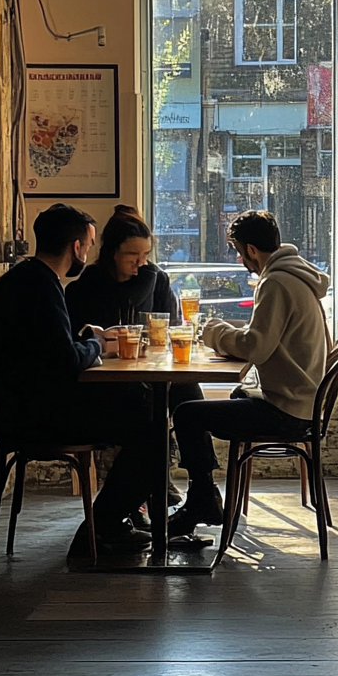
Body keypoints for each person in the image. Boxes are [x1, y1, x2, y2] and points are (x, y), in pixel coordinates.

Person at [0, 203, 156, 552]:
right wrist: (96, 343)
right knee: (150, 424)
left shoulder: (24, 279)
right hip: (37, 419)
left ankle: (109, 522)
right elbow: (67, 360)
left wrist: (85, 339)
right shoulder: (42, 287)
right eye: (87, 245)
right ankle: (102, 528)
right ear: (76, 247)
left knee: (141, 406)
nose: (87, 253)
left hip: (20, 409)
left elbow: (51, 350)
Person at [167, 210, 331, 536]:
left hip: (287, 410)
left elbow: (256, 347)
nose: (241, 261)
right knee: (228, 396)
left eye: (240, 253)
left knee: (186, 414)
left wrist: (212, 331)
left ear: (252, 250)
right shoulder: (296, 277)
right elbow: (265, 335)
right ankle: (205, 497)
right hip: (304, 403)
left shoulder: (276, 282)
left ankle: (201, 499)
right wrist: (229, 331)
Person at [65, 204, 214, 525]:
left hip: (148, 376)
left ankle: (203, 488)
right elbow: (75, 342)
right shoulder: (85, 287)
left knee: (188, 393)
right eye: (133, 255)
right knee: (149, 417)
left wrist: (145, 287)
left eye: (146, 254)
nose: (141, 262)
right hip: (103, 387)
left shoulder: (156, 280)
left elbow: (172, 330)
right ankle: (141, 499)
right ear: (111, 253)